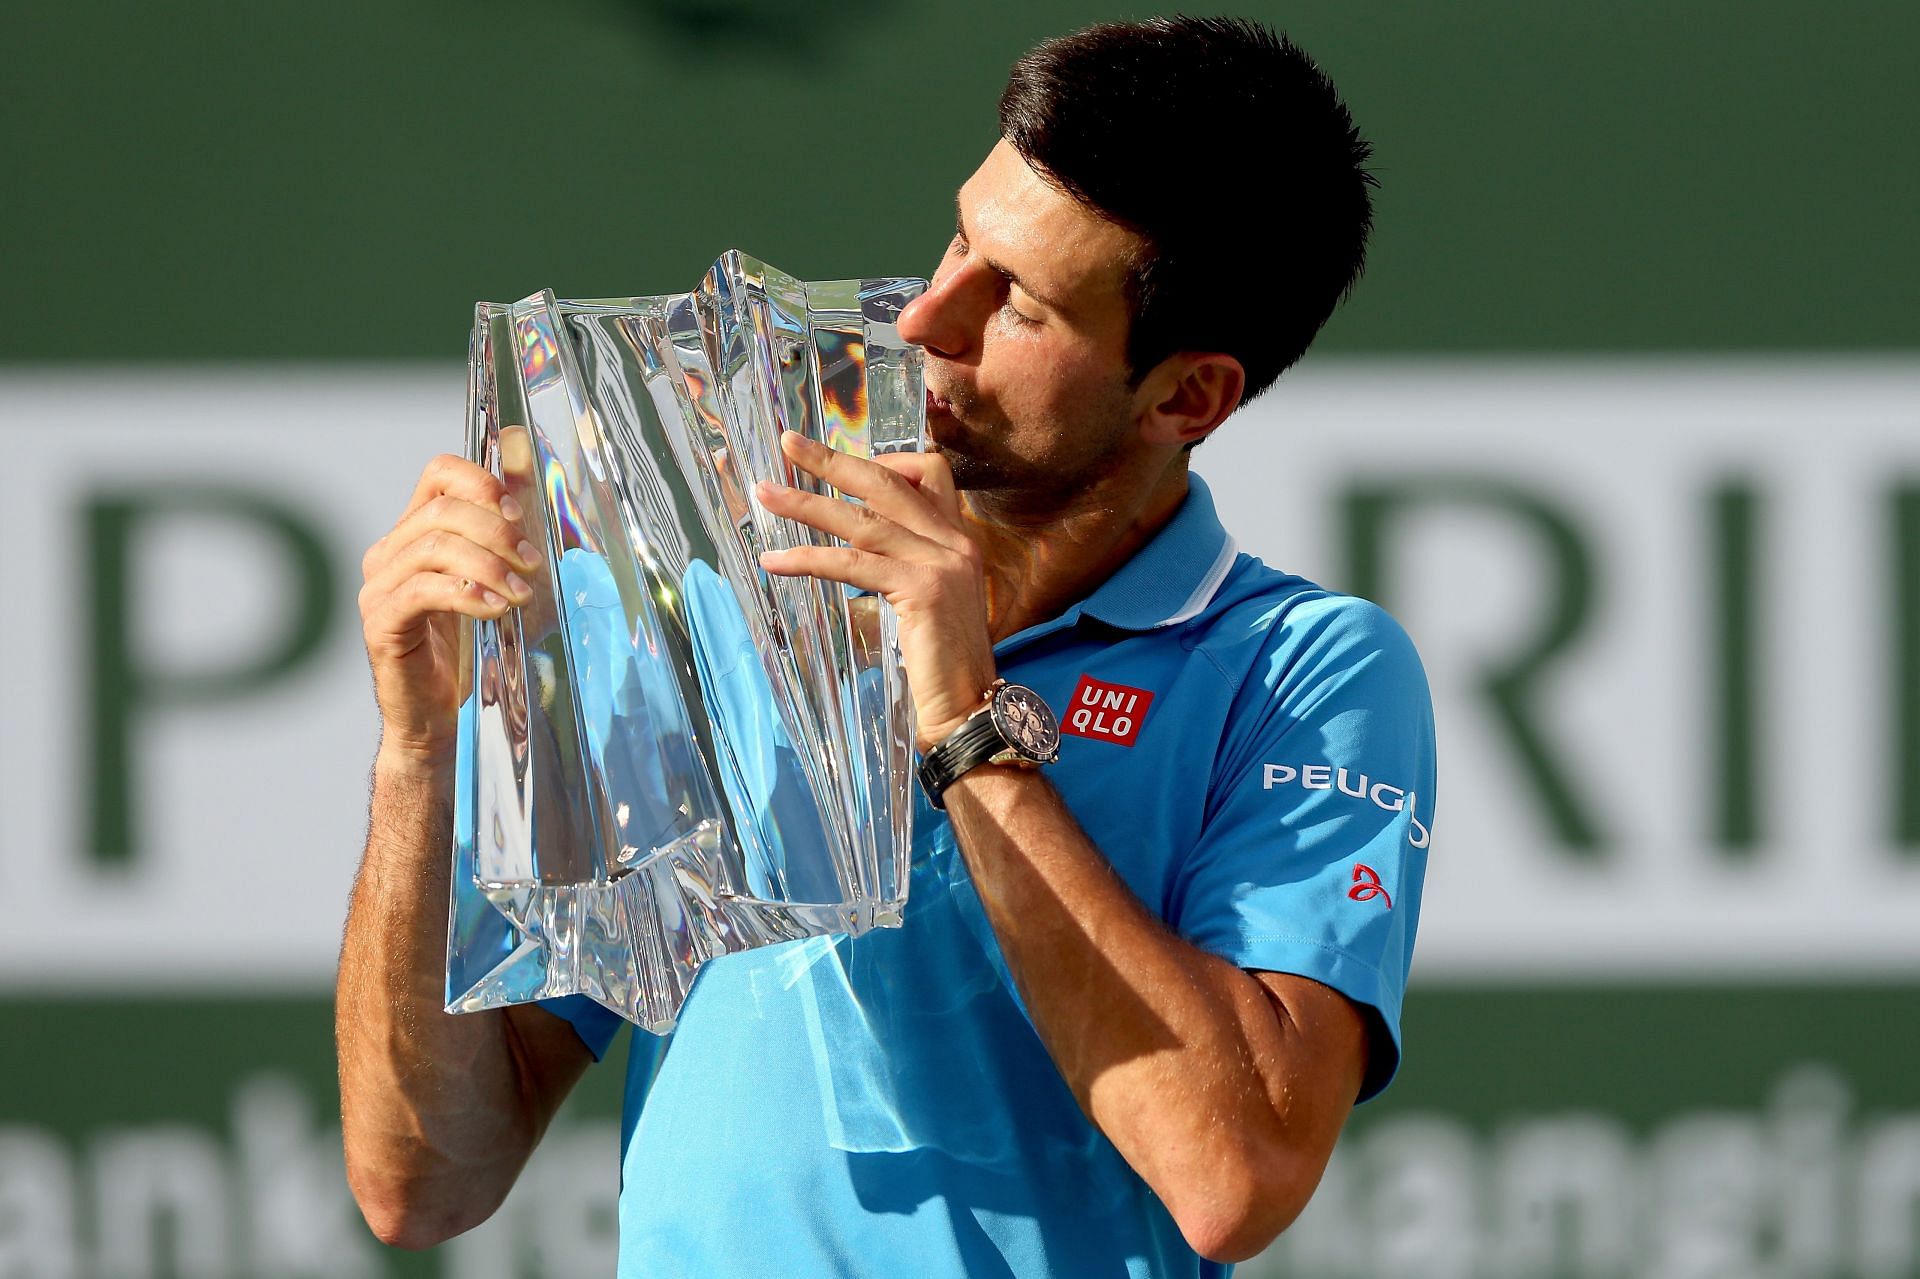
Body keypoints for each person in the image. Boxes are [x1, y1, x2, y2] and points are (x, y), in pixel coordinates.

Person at [337, 15, 1435, 1277]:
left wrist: (962, 708)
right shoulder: (724, 587)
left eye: (1014, 303)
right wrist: (418, 752)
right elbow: (423, 1178)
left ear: (1186, 396)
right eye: (962, 238)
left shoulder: (1307, 670)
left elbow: (1234, 1175)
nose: (926, 318)